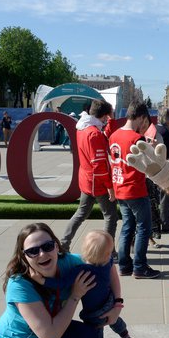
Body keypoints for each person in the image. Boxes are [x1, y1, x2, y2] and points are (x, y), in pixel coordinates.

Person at [41, 230, 131, 338]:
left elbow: (61, 283)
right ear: (107, 254)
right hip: (109, 301)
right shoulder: (107, 263)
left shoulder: (81, 270)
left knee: (96, 336)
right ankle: (125, 335)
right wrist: (117, 302)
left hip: (93, 313)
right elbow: (114, 278)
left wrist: (43, 280)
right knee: (114, 320)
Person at [109, 100, 160, 279]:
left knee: (127, 227)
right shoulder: (136, 139)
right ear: (139, 117)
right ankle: (140, 266)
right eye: (143, 121)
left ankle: (124, 265)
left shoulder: (114, 135)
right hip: (135, 188)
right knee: (143, 228)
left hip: (120, 187)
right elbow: (148, 165)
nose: (144, 125)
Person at [60, 100, 118, 257]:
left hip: (86, 180)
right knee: (111, 216)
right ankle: (108, 252)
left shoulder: (83, 127)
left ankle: (63, 245)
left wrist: (110, 119)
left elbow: (105, 136)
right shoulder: (94, 134)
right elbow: (99, 166)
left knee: (81, 213)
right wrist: (110, 187)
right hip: (97, 183)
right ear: (104, 116)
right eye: (107, 117)